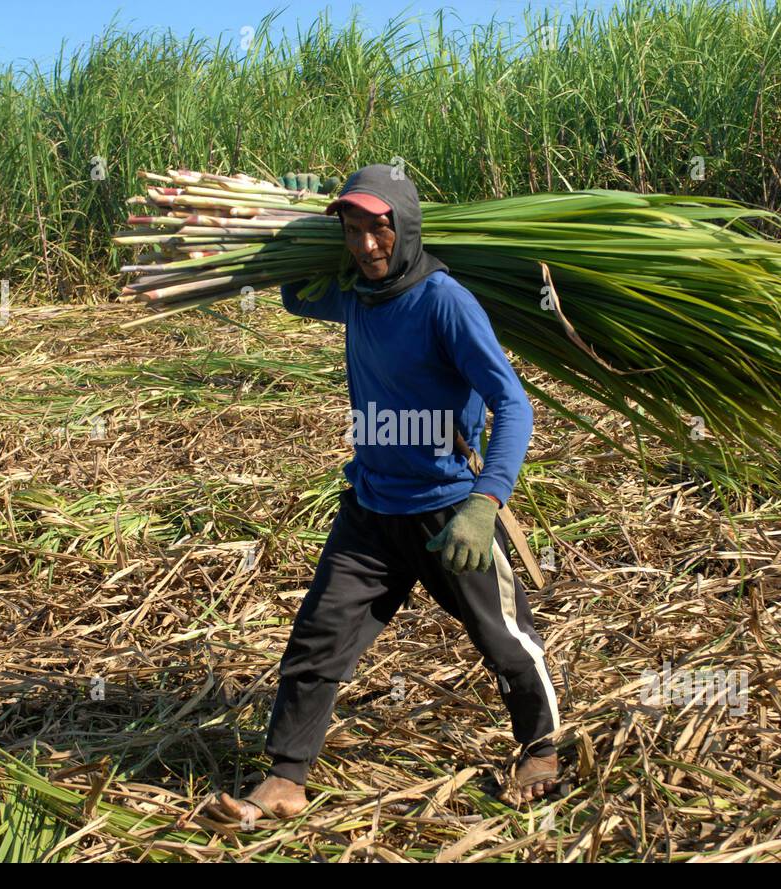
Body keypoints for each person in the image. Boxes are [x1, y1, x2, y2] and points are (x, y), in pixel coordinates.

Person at [205, 165, 561, 825]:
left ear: (405, 226)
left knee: (502, 636)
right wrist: (285, 237)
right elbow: (295, 297)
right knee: (319, 636)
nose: (368, 245)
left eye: (380, 228)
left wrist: (485, 505)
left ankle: (540, 746)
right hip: (371, 508)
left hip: (448, 509)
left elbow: (513, 402)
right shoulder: (357, 296)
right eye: (353, 230)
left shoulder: (444, 301)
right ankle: (285, 776)